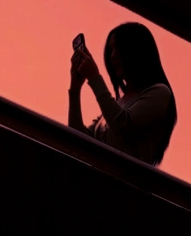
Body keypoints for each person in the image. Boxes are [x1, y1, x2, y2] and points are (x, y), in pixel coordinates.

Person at [68, 22, 177, 166]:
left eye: (119, 48)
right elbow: (77, 141)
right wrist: (75, 89)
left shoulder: (160, 93)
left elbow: (121, 125)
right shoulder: (115, 107)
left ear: (137, 50)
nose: (113, 56)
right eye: (110, 50)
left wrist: (94, 77)